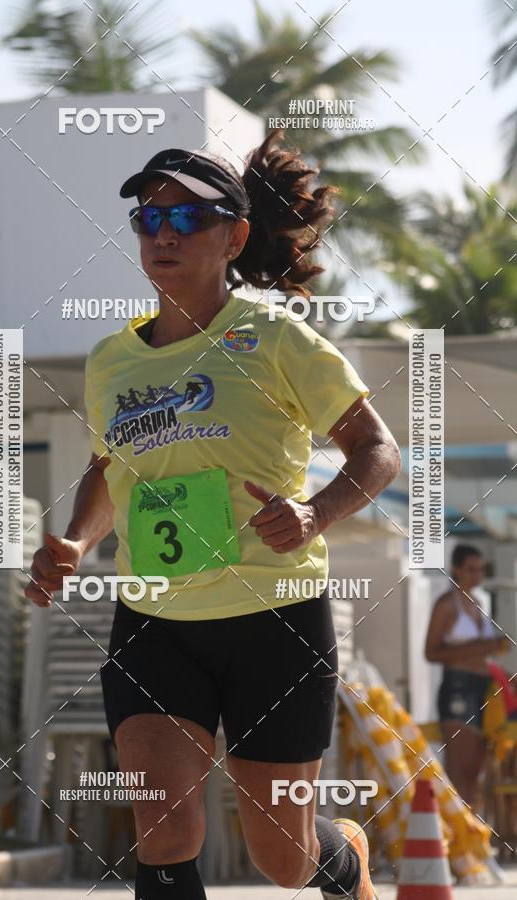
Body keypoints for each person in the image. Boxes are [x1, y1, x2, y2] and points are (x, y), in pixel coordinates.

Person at [25, 130, 401, 899]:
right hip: (155, 624)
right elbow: (109, 470)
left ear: (233, 237)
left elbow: (378, 449)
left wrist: (315, 513)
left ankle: (345, 857)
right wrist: (75, 541)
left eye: (188, 219)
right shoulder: (111, 360)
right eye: (149, 218)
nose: (164, 234)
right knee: (164, 831)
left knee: (282, 859)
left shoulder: (277, 341)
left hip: (276, 621)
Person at [425, 544, 508, 807]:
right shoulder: (447, 604)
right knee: (459, 774)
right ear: (456, 569)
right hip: (458, 687)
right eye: (471, 569)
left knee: (475, 775)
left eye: (481, 569)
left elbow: (482, 657)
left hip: (483, 687)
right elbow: (431, 652)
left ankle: (470, 828)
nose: (477, 575)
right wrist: (484, 647)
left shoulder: (478, 603)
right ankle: (457, 830)